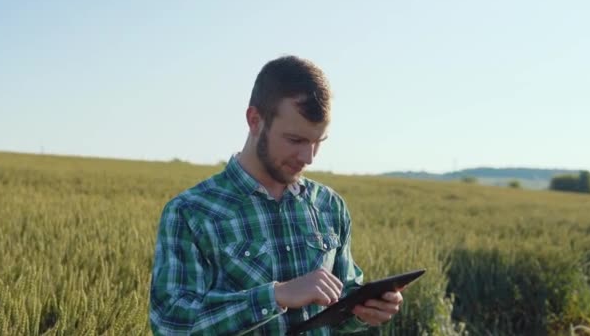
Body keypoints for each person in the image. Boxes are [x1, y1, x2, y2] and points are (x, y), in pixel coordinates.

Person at [149, 55, 404, 335]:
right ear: (255, 120)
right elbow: (171, 324)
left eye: (318, 142)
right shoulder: (191, 212)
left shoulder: (329, 205)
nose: (308, 157)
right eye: (296, 140)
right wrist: (275, 296)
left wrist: (365, 310)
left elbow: (339, 307)